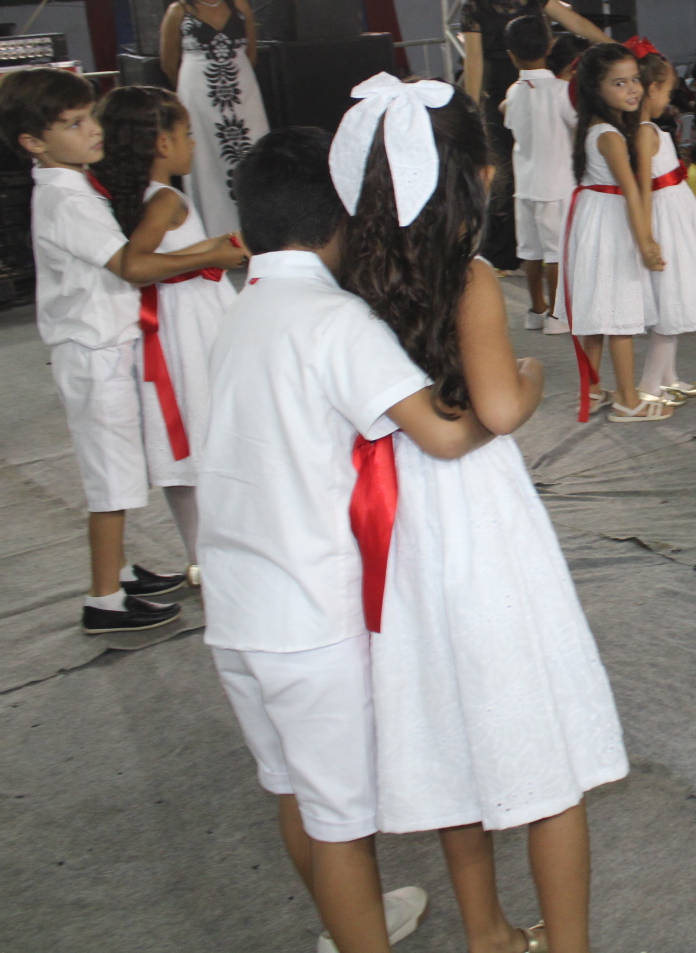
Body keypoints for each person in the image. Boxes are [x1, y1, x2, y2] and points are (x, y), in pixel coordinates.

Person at [327, 79, 628, 953]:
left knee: (452, 735)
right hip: (476, 518)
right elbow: (495, 407)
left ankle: (487, 932)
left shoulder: (350, 276)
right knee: (541, 738)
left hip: (393, 511)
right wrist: (533, 377)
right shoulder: (468, 277)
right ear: (478, 176)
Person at [201, 127, 496, 953]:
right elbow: (445, 432)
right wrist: (518, 389)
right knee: (339, 820)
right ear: (343, 218)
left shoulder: (241, 312)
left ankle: (351, 921)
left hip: (237, 610)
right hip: (310, 617)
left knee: (296, 795)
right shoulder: (333, 320)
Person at [0, 68, 244, 633]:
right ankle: (104, 600)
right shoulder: (67, 201)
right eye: (74, 124)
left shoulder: (75, 185)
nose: (92, 130)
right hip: (93, 351)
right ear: (33, 142)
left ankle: (121, 573)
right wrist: (211, 254)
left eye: (90, 117)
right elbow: (130, 265)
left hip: (108, 344)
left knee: (122, 469)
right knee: (112, 480)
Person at [91, 85, 240, 579]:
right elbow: (136, 264)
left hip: (175, 323)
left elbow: (160, 255)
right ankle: (213, 557)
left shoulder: (135, 197)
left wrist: (211, 249)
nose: (193, 144)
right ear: (161, 143)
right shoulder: (166, 199)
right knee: (203, 428)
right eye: (187, 134)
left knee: (190, 441)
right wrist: (211, 255)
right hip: (186, 328)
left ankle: (202, 556)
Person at [458, 0, 613, 269]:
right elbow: (474, 63)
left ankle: (557, 245)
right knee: (505, 179)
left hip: (541, 91)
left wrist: (612, 45)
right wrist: (471, 114)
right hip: (499, 98)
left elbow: (574, 22)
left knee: (550, 169)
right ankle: (507, 254)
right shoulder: (474, 5)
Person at [558, 43, 671, 423]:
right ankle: (628, 400)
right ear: (596, 88)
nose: (632, 89)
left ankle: (590, 391)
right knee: (619, 312)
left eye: (634, 80)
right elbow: (632, 191)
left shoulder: (594, 127)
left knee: (597, 311)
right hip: (609, 224)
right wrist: (646, 242)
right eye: (619, 83)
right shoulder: (610, 135)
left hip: (593, 219)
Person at [633, 50, 696, 405]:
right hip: (667, 224)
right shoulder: (644, 133)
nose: (669, 99)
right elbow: (643, 188)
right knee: (670, 302)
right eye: (667, 91)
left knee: (675, 297)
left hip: (677, 217)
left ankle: (668, 378)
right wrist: (648, 237)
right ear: (653, 89)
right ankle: (649, 385)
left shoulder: (651, 130)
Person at [156, 0, 270, 235]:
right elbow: (168, 62)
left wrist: (237, 79)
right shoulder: (178, 11)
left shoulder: (239, 5)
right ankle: (217, 233)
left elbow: (251, 53)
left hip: (242, 92)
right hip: (199, 95)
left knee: (253, 151)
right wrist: (191, 92)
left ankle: (259, 229)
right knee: (206, 157)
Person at [499, 15, 576, 335]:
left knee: (531, 252)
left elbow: (507, 117)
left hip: (525, 184)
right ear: (549, 46)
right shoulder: (562, 91)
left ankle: (536, 309)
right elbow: (579, 125)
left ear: (511, 54)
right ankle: (557, 316)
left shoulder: (513, 91)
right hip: (556, 184)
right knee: (556, 254)